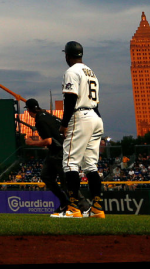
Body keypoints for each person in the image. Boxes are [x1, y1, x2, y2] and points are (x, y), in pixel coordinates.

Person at [53, 41, 105, 219]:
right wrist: (96, 123)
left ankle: (73, 208)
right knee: (90, 165)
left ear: (67, 55)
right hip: (96, 117)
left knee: (70, 163)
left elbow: (70, 99)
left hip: (81, 116)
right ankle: (97, 208)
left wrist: (64, 123)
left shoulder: (71, 71)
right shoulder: (91, 72)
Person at [23, 99, 69, 215]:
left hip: (59, 152)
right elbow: (64, 130)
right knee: (46, 175)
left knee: (65, 182)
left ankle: (79, 205)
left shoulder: (40, 121)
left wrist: (31, 143)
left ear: (28, 110)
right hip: (58, 150)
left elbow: (48, 141)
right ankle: (65, 203)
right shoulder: (48, 115)